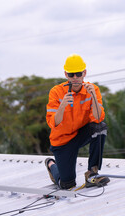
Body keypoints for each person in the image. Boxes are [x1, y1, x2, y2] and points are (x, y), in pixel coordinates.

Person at [45, 54, 109, 189]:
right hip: (62, 141)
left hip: (80, 135)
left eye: (78, 74)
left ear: (84, 73)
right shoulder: (56, 92)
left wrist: (93, 97)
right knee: (66, 184)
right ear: (66, 75)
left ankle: (92, 174)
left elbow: (98, 119)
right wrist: (62, 106)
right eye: (71, 74)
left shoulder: (92, 89)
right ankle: (51, 165)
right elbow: (53, 123)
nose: (75, 78)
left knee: (100, 127)